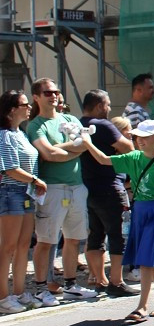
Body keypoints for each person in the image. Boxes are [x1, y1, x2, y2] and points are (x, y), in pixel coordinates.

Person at [82, 120, 154, 323]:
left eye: (144, 137)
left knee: (146, 260)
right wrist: (86, 141)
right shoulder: (133, 157)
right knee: (151, 261)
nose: (139, 141)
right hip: (140, 211)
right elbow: (103, 159)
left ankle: (142, 306)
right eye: (137, 137)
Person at [27, 77, 97, 304]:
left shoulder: (69, 119)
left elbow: (84, 145)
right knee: (46, 240)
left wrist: (61, 149)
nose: (54, 95)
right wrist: (73, 148)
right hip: (53, 187)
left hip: (76, 186)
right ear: (36, 97)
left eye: (56, 91)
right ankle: (40, 287)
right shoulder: (35, 125)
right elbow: (48, 155)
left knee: (74, 238)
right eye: (48, 92)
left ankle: (70, 284)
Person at [79, 89, 137, 296]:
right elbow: (128, 147)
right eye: (107, 104)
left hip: (89, 187)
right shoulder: (102, 125)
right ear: (98, 106)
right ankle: (116, 281)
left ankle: (99, 279)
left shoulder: (79, 125)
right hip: (111, 186)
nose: (110, 108)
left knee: (95, 235)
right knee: (118, 235)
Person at [0, 90, 46, 313]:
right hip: (10, 192)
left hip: (26, 193)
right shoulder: (4, 135)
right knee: (8, 246)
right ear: (11, 110)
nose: (29, 107)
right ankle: (3, 297)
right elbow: (10, 168)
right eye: (24, 104)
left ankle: (19, 292)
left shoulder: (21, 133)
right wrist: (36, 180)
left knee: (21, 246)